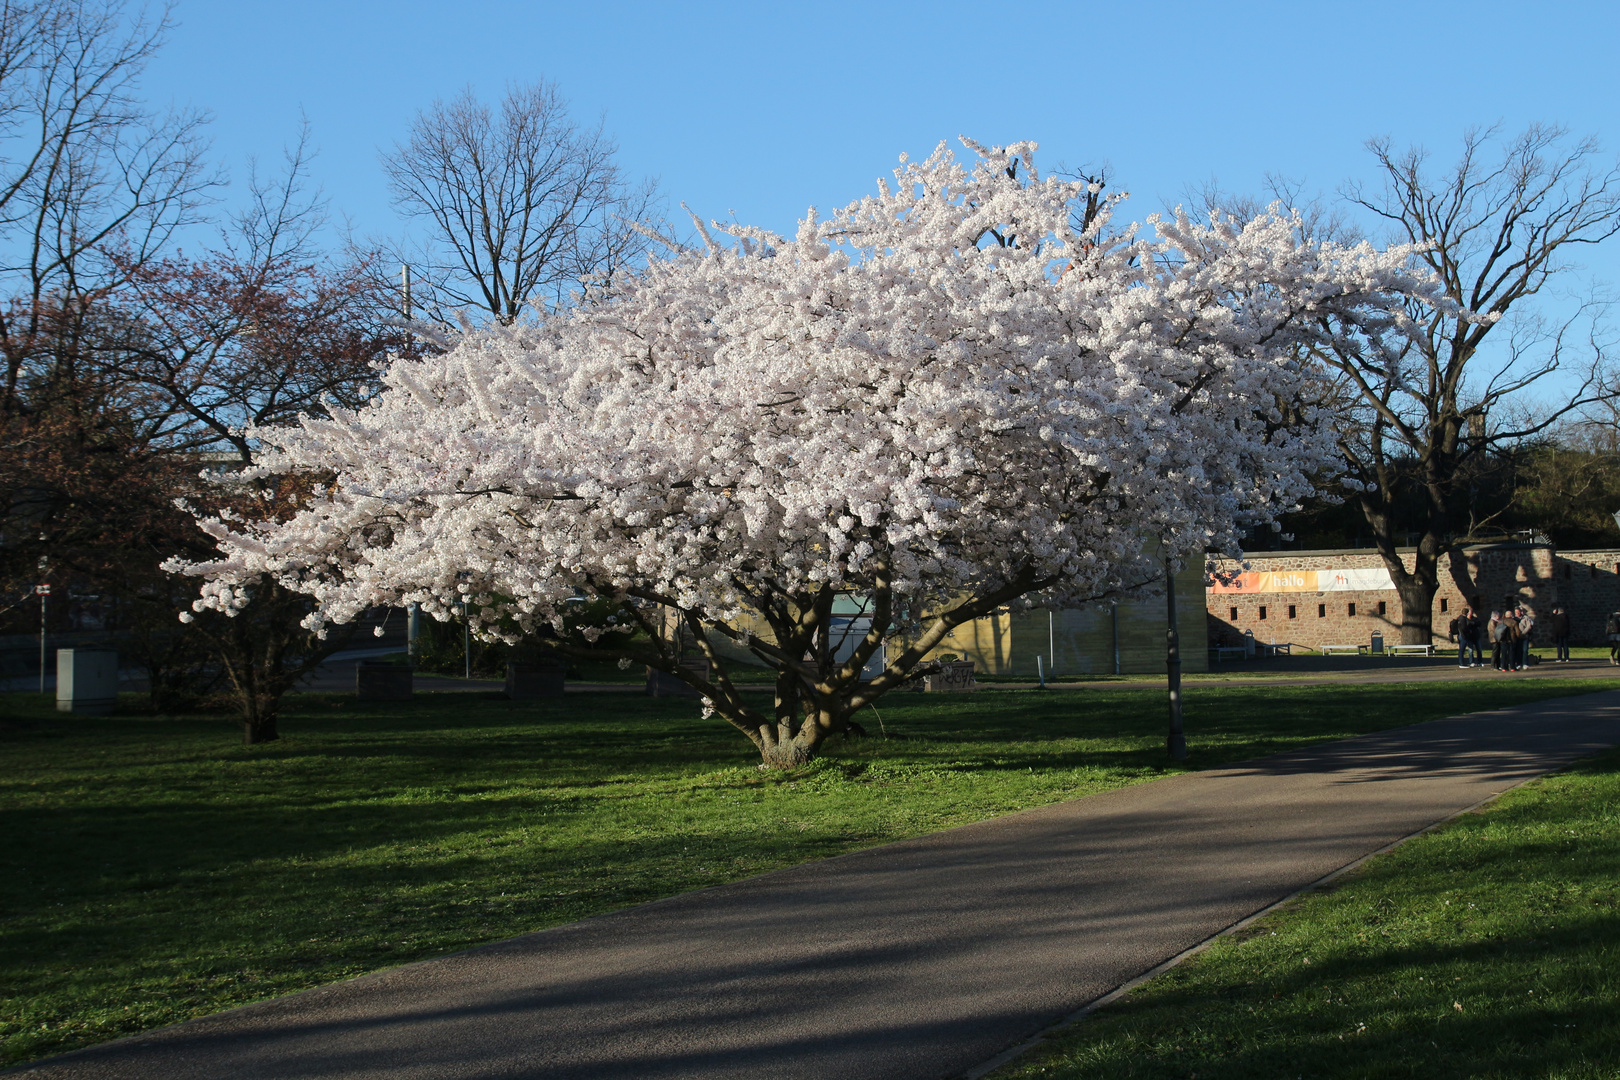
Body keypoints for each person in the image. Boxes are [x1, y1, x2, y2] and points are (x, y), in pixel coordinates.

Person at [1516, 606, 1534, 670]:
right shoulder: (1514, 619)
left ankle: (1525, 663)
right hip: (1517, 637)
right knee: (1518, 651)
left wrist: (1523, 632)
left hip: (1525, 636)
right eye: (1517, 612)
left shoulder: (1526, 618)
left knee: (1525, 650)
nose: (1518, 613)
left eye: (1519, 612)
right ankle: (1519, 663)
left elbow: (1528, 626)